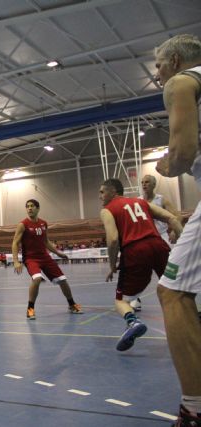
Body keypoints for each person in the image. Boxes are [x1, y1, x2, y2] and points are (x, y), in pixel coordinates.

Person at [153, 34, 201, 425]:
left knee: (173, 292)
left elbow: (182, 154)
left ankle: (195, 408)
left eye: (158, 65)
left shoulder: (181, 82)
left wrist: (166, 166)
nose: (157, 74)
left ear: (173, 60)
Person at [99, 178, 182, 351]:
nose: (100, 196)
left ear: (113, 192)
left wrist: (112, 265)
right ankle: (188, 321)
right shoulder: (140, 202)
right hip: (159, 246)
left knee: (121, 301)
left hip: (135, 251)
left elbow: (113, 239)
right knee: (172, 291)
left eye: (102, 192)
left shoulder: (107, 210)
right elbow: (172, 218)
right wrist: (183, 244)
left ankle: (132, 322)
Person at [12, 199, 82, 319]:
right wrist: (16, 261)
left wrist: (58, 253)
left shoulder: (44, 223)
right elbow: (15, 243)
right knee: (37, 279)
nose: (29, 208)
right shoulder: (22, 225)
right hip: (31, 259)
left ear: (38, 208)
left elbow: (46, 242)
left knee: (63, 280)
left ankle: (71, 304)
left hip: (45, 257)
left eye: (32, 206)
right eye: (27, 206)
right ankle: (30, 309)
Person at [131, 174, 180, 311]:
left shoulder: (161, 200)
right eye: (142, 182)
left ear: (153, 184)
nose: (144, 184)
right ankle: (135, 299)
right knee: (138, 270)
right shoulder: (137, 201)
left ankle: (174, 296)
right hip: (145, 239)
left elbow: (177, 216)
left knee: (169, 270)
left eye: (147, 182)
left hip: (162, 237)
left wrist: (175, 231)